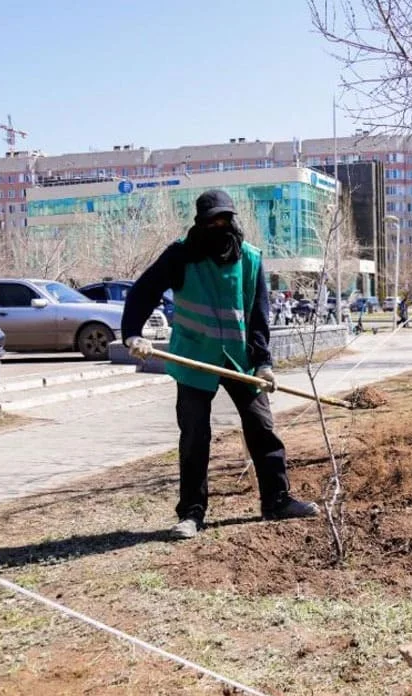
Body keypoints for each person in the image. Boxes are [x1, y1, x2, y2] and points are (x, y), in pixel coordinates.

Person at [122, 189, 319, 540]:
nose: (219, 226)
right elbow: (142, 292)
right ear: (200, 223)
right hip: (194, 358)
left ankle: (277, 500)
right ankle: (192, 514)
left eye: (224, 220)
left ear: (232, 221)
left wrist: (264, 363)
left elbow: (259, 317)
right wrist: (132, 334)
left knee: (262, 427)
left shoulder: (250, 259)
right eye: (212, 221)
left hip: (240, 361)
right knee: (195, 436)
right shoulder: (180, 256)